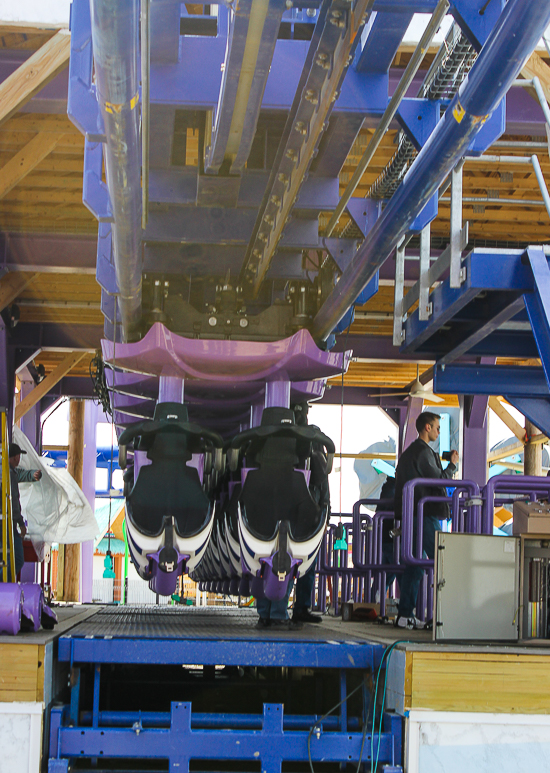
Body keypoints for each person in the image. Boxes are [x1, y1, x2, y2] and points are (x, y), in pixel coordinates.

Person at [393, 412, 458, 629]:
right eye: (438, 427)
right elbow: (438, 481)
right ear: (427, 428)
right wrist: (452, 466)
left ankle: (405, 615)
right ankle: (449, 615)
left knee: (415, 564)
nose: (439, 432)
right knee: (443, 560)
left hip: (411, 513)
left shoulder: (411, 453)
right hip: (423, 513)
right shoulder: (422, 452)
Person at [1, 443, 42, 579]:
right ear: (15, 457)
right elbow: (13, 502)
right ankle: (4, 587)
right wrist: (20, 523)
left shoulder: (8, 471)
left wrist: (32, 475)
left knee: (6, 560)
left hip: (4, 521)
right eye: (19, 456)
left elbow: (22, 474)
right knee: (17, 559)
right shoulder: (9, 474)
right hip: (8, 523)